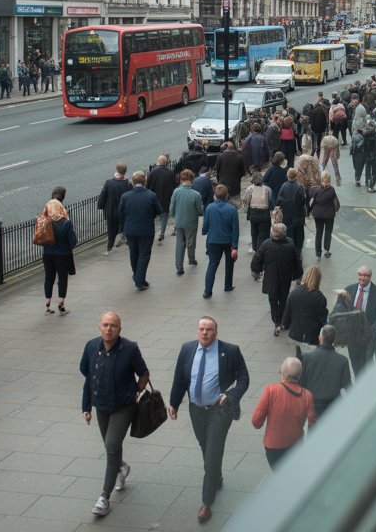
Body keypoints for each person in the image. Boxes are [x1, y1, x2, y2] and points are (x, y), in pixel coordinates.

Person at [168, 316, 250, 524]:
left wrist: (231, 396)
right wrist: (174, 403)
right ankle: (216, 475)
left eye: (209, 329)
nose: (205, 333)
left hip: (219, 411)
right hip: (196, 410)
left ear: (216, 332)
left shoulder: (230, 351)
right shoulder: (187, 349)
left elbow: (244, 378)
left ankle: (206, 502)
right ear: (197, 331)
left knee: (213, 452)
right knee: (205, 446)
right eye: (201, 329)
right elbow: (179, 378)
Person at [80, 311, 151, 517]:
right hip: (101, 405)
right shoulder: (91, 347)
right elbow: (89, 377)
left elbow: (144, 373)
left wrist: (136, 391)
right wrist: (86, 406)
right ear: (99, 327)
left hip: (124, 406)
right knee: (111, 447)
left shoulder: (129, 349)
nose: (109, 329)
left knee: (111, 445)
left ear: (120, 329)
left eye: (113, 325)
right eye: (105, 325)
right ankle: (121, 467)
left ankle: (104, 497)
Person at [250, 356, 316, 470]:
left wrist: (259, 424)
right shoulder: (307, 395)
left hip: (273, 446)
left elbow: (256, 421)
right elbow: (312, 422)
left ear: (281, 371)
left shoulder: (271, 390)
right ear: (300, 375)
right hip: (296, 444)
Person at [250, 222, 303, 336]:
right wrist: (298, 274)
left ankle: (276, 321)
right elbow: (296, 260)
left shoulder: (266, 244)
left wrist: (256, 270)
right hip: (285, 277)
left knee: (273, 299)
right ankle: (283, 320)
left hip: (271, 277)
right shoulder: (290, 244)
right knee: (283, 298)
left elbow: (257, 258)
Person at [117, 171, 163, 291]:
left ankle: (137, 276)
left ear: (133, 182)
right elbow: (159, 211)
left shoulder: (125, 196)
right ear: (144, 182)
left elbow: (120, 214)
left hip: (130, 229)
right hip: (146, 229)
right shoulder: (151, 195)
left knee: (134, 253)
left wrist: (122, 229)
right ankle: (139, 280)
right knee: (144, 255)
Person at [300, 324, 353, 418]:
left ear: (320, 338)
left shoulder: (307, 357)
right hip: (333, 404)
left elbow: (302, 382)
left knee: (314, 430)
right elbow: (348, 386)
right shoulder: (342, 360)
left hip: (313, 403)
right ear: (334, 340)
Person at [344, 266, 376, 369]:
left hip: (370, 337)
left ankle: (368, 383)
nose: (362, 278)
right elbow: (340, 308)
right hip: (353, 337)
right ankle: (359, 383)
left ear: (370, 277)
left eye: (366, 276)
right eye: (360, 274)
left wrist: (371, 329)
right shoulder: (348, 290)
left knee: (367, 365)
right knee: (355, 364)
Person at [201, 184, 239, 298]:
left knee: (212, 265)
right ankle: (228, 285)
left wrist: (204, 231)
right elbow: (235, 229)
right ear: (226, 195)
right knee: (229, 264)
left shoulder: (209, 207)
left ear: (215, 195)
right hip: (228, 241)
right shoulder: (232, 209)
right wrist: (235, 246)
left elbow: (205, 225)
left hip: (213, 240)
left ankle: (208, 291)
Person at [40, 198, 77, 316]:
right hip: (63, 254)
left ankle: (47, 304)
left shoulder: (44, 222)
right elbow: (73, 241)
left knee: (49, 277)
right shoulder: (66, 222)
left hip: (47, 254)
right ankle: (61, 303)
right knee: (62, 278)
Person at [281, 265, 328, 347]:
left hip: (295, 335)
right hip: (311, 337)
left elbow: (287, 314)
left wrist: (284, 325)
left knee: (299, 358)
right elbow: (322, 319)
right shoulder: (319, 297)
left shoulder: (294, 292)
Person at [169, 168, 204, 274]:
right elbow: (200, 210)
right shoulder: (196, 194)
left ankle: (179, 267)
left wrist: (176, 216)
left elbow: (171, 209)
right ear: (192, 179)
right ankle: (191, 259)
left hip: (179, 221)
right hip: (191, 222)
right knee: (191, 242)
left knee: (179, 243)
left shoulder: (176, 191)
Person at [97, 161, 133, 256]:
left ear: (117, 170)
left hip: (111, 211)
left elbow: (103, 196)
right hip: (124, 212)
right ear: (125, 171)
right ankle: (128, 242)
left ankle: (109, 248)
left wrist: (100, 205)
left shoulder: (109, 183)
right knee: (125, 227)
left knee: (111, 231)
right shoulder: (128, 184)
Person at [274, 168, 309, 256]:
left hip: (287, 216)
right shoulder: (300, 186)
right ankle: (298, 253)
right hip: (298, 216)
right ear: (296, 176)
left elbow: (278, 201)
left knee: (289, 236)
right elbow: (303, 201)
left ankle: (290, 253)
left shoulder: (284, 186)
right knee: (299, 236)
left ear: (288, 176)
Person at [308, 171, 340, 259]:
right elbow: (336, 203)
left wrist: (310, 211)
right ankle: (326, 250)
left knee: (319, 232)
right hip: (329, 215)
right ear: (329, 179)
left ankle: (318, 253)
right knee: (328, 232)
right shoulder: (332, 190)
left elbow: (312, 203)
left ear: (321, 179)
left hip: (318, 214)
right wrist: (335, 210)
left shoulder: (316, 190)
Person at [145, 154, 176, 242]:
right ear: (166, 163)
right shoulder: (170, 173)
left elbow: (148, 186)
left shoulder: (152, 172)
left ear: (158, 162)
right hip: (166, 198)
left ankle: (150, 232)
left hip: (153, 197)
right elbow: (174, 186)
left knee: (151, 216)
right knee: (164, 216)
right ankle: (161, 233)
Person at [242, 171, 274, 251]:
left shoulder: (250, 189)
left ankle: (255, 247)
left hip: (253, 213)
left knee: (254, 231)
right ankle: (261, 248)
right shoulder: (267, 189)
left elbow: (246, 201)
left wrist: (246, 211)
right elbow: (270, 201)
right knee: (263, 233)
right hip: (264, 213)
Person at [361, 123, 376, 193]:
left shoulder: (366, 135)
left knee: (368, 169)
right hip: (374, 155)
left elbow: (364, 145)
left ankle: (368, 184)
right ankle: (372, 186)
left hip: (367, 155)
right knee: (374, 171)